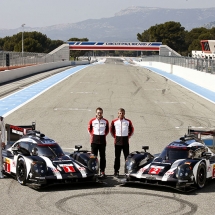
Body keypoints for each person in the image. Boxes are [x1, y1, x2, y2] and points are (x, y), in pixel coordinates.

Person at [110, 108, 134, 177]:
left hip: (125, 141)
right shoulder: (114, 121)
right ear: (118, 114)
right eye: (120, 113)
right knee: (117, 157)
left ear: (124, 114)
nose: (121, 114)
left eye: (122, 113)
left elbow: (132, 129)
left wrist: (129, 136)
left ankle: (127, 171)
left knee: (127, 158)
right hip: (117, 142)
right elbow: (111, 130)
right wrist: (115, 136)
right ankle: (116, 171)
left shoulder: (128, 121)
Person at [88, 107, 109, 178]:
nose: (99, 114)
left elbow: (107, 130)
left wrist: (102, 135)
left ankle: (102, 171)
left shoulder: (105, 121)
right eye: (98, 112)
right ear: (96, 113)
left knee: (103, 157)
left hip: (102, 141)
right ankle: (93, 172)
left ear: (102, 113)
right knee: (93, 157)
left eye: (100, 112)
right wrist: (94, 135)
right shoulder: (92, 121)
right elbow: (89, 129)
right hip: (94, 141)